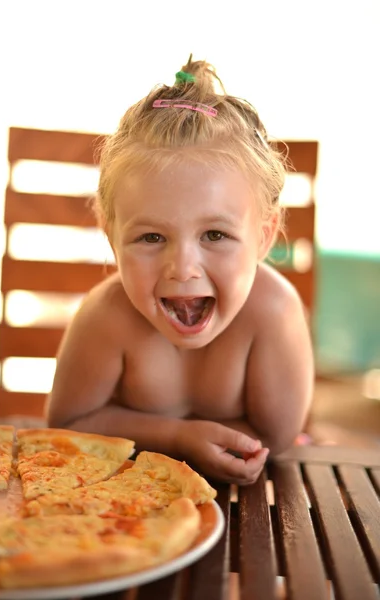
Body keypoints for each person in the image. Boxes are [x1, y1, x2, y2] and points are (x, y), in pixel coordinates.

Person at [46, 55, 314, 485]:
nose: (184, 268)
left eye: (214, 235)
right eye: (151, 238)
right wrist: (178, 437)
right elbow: (68, 422)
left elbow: (275, 437)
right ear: (110, 235)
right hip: (124, 510)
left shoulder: (273, 313)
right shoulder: (107, 317)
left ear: (263, 237)